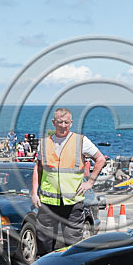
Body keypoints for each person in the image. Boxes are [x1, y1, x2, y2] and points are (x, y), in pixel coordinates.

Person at [31, 107, 106, 256]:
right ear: (54, 122)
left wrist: (89, 182)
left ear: (71, 123)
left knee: (72, 246)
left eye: (66, 122)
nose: (63, 125)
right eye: (60, 122)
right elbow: (38, 168)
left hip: (72, 202)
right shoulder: (44, 142)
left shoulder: (80, 141)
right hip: (47, 203)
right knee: (44, 244)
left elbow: (100, 159)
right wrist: (34, 192)